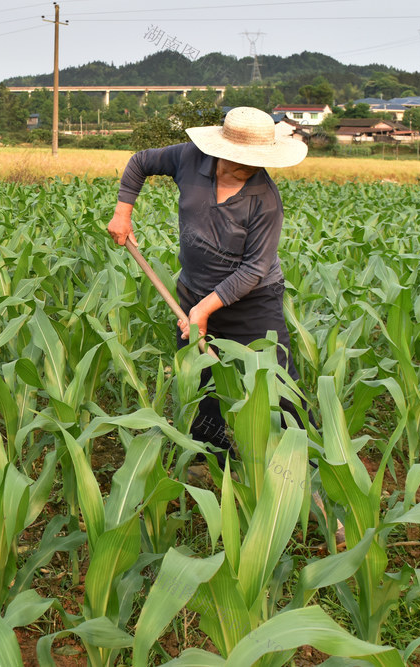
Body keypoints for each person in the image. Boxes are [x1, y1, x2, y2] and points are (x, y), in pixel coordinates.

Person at [107, 106, 309, 467]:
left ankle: (305, 468)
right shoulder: (189, 158)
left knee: (276, 382)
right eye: (240, 158)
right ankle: (210, 458)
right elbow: (140, 162)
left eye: (256, 160)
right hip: (194, 290)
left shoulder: (265, 200)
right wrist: (123, 213)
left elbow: (255, 269)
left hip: (253, 302)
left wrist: (202, 311)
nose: (249, 166)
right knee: (199, 377)